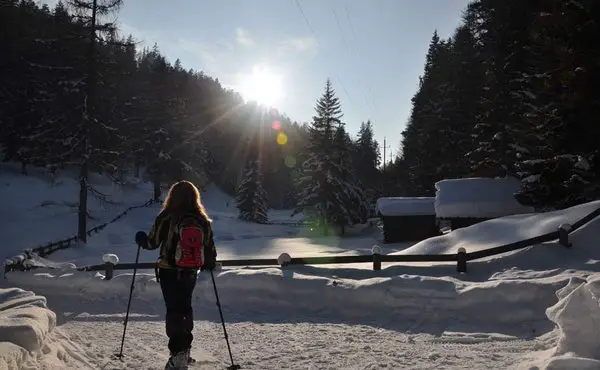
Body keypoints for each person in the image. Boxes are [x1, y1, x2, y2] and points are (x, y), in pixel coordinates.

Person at [140, 180, 217, 369]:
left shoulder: (166, 217)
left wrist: (141, 239)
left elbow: (152, 243)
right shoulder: (202, 220)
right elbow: (210, 252)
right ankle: (185, 350)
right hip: (190, 271)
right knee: (185, 308)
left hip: (168, 270)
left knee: (173, 309)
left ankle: (178, 355)